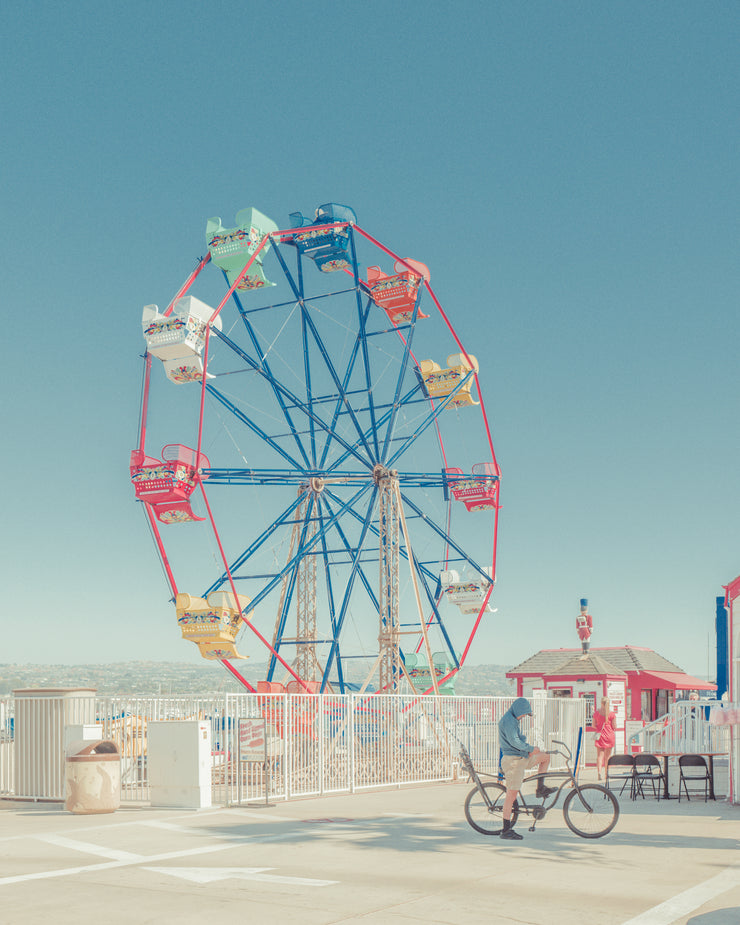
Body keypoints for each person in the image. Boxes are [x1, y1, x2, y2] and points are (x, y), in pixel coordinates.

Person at [497, 697, 555, 840]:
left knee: (545, 757)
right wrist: (529, 748)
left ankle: (540, 788)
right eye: (523, 714)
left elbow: (518, 740)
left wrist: (529, 750)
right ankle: (506, 830)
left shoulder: (513, 719)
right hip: (513, 761)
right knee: (511, 796)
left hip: (521, 757)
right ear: (517, 710)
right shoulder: (508, 721)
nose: (523, 717)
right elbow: (514, 741)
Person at [593, 697, 616, 780]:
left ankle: (599, 773)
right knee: (608, 756)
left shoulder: (596, 713)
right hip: (609, 735)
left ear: (601, 703)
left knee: (600, 756)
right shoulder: (611, 714)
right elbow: (614, 726)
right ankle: (607, 774)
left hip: (600, 736)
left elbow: (593, 725)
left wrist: (599, 726)